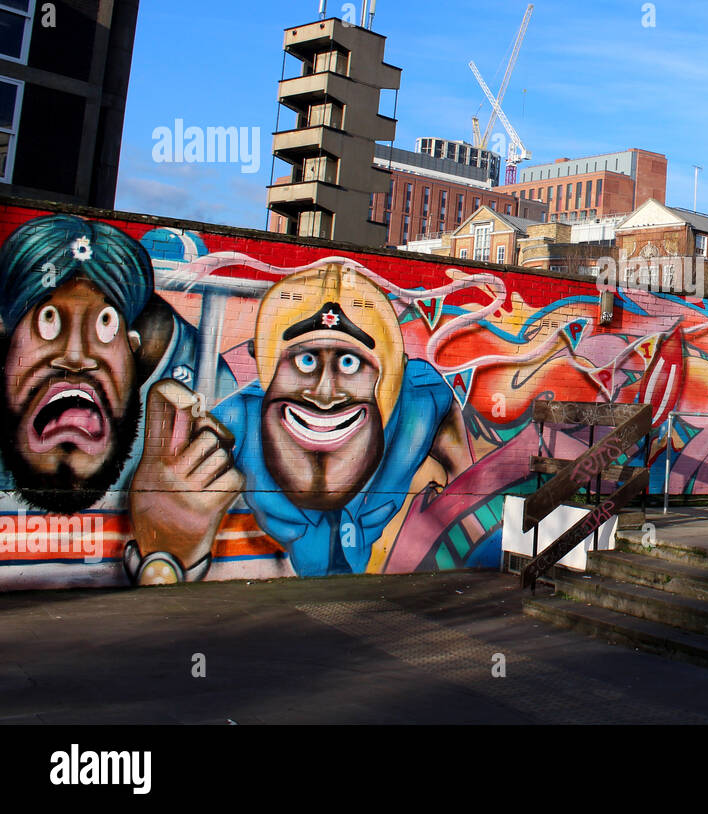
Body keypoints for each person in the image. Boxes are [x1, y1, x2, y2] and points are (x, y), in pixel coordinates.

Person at [0, 214, 237, 586]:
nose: (77, 356)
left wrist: (171, 546)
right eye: (49, 321)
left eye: (105, 324)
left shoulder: (212, 396)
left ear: (133, 353)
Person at [187, 264, 467, 577]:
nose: (324, 393)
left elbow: (461, 449)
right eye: (304, 360)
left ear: (393, 375)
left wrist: (460, 489)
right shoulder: (235, 422)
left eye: (350, 363)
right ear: (265, 367)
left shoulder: (419, 402)